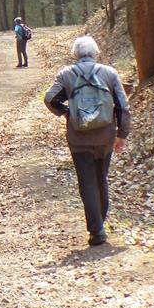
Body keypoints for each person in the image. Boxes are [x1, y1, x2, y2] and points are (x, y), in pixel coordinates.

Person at [44, 35, 130, 246]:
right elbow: (123, 106)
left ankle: (97, 229)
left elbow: (49, 98)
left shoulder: (67, 74)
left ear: (75, 54)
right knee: (101, 176)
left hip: (78, 138)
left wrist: (66, 112)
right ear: (96, 53)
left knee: (87, 180)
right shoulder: (109, 73)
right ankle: (99, 222)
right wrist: (122, 134)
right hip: (105, 136)